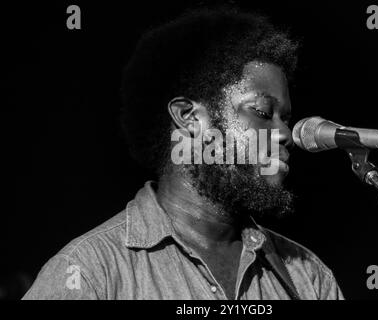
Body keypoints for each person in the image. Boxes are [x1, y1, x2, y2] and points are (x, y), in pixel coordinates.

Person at [23, 6, 344, 300]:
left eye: (285, 118)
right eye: (262, 112)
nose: (286, 134)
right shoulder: (89, 272)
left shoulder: (308, 277)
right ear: (189, 118)